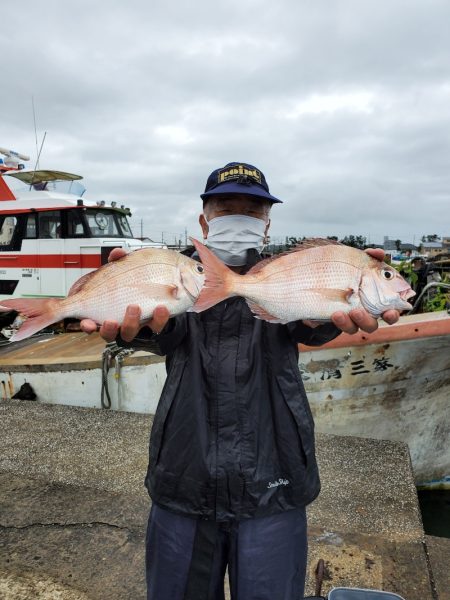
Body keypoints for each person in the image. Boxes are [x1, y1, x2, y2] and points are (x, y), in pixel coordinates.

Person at [81, 162, 399, 600]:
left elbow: (311, 324)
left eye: (253, 211)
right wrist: (124, 300)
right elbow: (163, 330)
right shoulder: (177, 276)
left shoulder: (285, 274)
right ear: (203, 222)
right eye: (227, 208)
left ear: (267, 227)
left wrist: (346, 304)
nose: (241, 219)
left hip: (275, 477)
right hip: (184, 474)